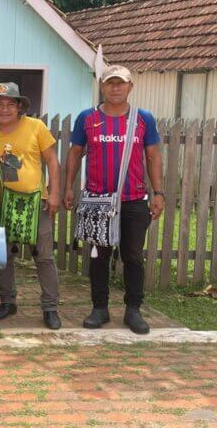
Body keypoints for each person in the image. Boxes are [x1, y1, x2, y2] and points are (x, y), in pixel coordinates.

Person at [64, 65, 164, 335]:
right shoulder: (87, 118)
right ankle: (100, 308)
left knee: (133, 256)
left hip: (133, 201)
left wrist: (158, 192)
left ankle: (133, 309)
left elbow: (153, 156)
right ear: (103, 87)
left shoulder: (143, 119)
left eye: (121, 83)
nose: (116, 88)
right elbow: (75, 153)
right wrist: (69, 188)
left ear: (130, 86)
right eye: (110, 83)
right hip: (97, 200)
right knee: (99, 255)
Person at [0, 83, 62, 330]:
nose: (5, 109)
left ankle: (50, 307)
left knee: (43, 257)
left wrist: (54, 193)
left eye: (10, 104)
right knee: (3, 257)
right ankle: (7, 301)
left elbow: (53, 161)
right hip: (1, 203)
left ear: (20, 106)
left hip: (35, 203)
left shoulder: (36, 127)